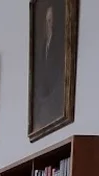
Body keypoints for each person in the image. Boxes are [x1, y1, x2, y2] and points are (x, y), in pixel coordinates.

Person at [33, 0, 65, 131]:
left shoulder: (59, 44)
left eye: (51, 20)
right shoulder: (42, 48)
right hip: (43, 103)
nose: (49, 24)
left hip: (53, 103)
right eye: (47, 21)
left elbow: (59, 75)